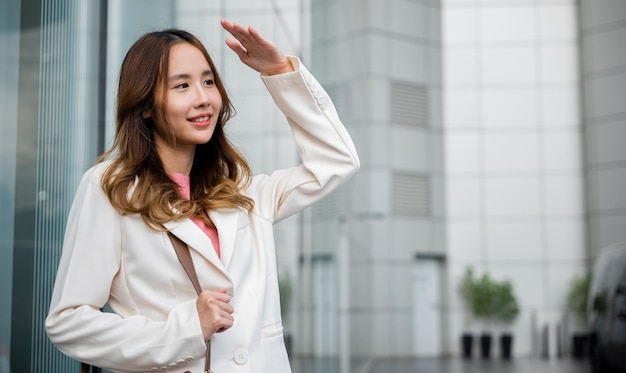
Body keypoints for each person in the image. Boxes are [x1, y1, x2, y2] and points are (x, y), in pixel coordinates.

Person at [45, 20, 359, 373]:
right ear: (146, 104)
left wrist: (278, 72)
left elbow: (337, 161)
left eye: (208, 82)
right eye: (182, 85)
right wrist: (186, 329)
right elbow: (68, 323)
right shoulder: (111, 187)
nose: (204, 98)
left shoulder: (242, 190)